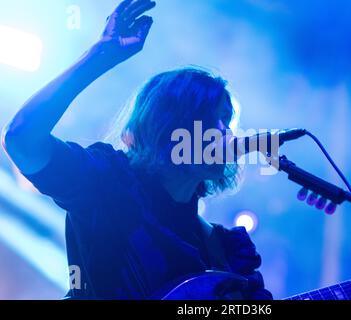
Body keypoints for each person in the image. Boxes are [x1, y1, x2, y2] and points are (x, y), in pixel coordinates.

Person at [1, 0, 273, 300]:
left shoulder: (225, 251)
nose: (227, 132)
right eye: (214, 119)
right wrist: (101, 55)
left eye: (228, 121)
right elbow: (21, 138)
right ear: (170, 124)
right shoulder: (106, 182)